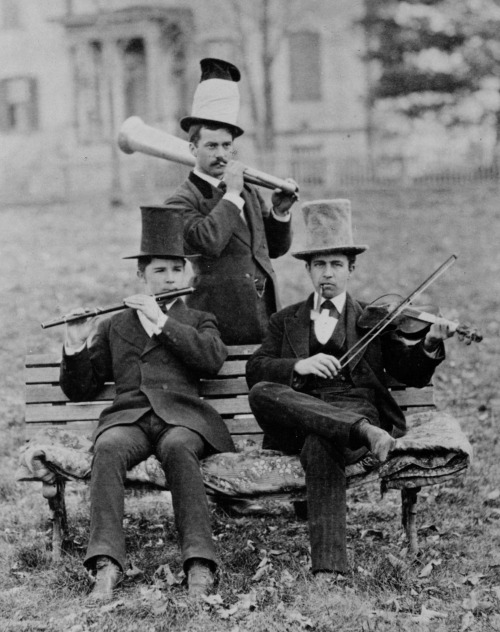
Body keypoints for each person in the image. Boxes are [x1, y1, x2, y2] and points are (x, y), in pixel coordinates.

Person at [246, 199, 455, 576]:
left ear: (350, 269)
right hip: (303, 415)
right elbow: (255, 369)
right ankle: (362, 433)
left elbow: (411, 372)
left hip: (355, 410)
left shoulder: (373, 319)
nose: (328, 273)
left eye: (336, 264)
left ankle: (329, 569)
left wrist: (428, 345)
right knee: (262, 391)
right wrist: (298, 364)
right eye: (320, 265)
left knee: (322, 440)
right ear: (308, 269)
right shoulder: (284, 320)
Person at [60, 207, 235, 601]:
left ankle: (199, 563)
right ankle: (106, 563)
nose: (169, 277)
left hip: (183, 420)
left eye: (177, 269)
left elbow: (211, 359)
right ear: (141, 276)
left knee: (177, 448)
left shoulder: (200, 318)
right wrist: (75, 342)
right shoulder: (116, 325)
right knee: (107, 447)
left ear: (187, 274)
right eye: (159, 271)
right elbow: (81, 388)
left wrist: (161, 321)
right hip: (131, 418)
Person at [164, 58, 298, 345]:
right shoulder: (180, 200)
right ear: (192, 148)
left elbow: (273, 249)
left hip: (263, 314)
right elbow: (208, 242)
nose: (222, 155)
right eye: (211, 146)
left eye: (227, 146)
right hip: (217, 321)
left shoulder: (246, 191)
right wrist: (232, 195)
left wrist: (279, 213)